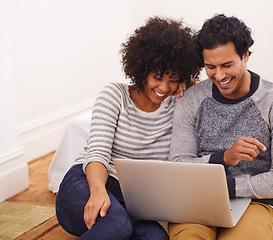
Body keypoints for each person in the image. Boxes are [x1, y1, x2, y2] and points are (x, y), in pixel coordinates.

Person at [55, 17, 200, 240]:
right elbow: (97, 151)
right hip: (88, 182)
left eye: (173, 79)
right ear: (142, 68)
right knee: (117, 224)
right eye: (157, 77)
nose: (163, 88)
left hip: (133, 200)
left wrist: (189, 83)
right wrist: (97, 191)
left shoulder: (179, 103)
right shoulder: (115, 95)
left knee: (156, 238)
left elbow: (213, 94)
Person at [168, 14, 273, 240]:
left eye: (227, 65)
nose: (219, 75)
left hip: (256, 203)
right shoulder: (191, 100)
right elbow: (178, 164)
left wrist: (226, 188)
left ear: (245, 55)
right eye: (210, 67)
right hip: (198, 198)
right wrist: (223, 158)